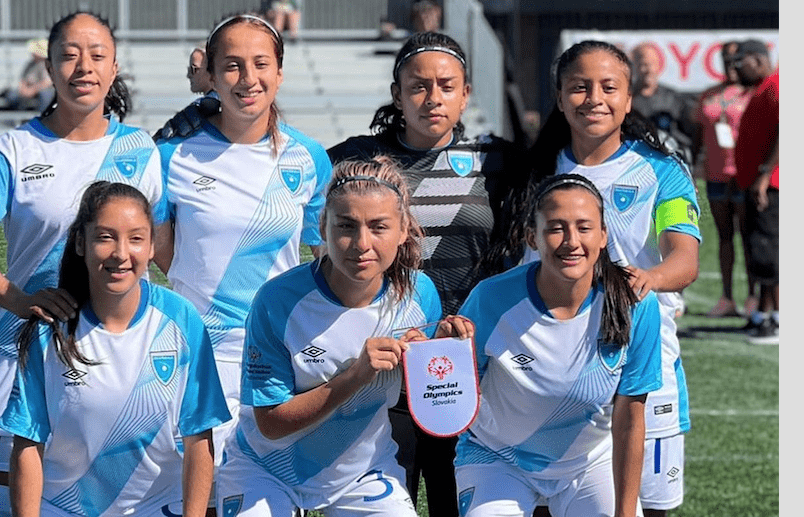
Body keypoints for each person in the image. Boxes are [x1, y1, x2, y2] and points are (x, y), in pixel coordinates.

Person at [0, 11, 162, 517]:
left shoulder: (142, 150)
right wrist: (20, 301)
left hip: (117, 364)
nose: (83, 67)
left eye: (97, 55)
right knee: (5, 509)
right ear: (49, 64)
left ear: (114, 67)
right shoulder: (13, 150)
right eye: (69, 54)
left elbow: (162, 252)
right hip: (20, 357)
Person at [326, 31, 531, 516]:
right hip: (384, 358)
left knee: (454, 500)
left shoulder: (499, 163)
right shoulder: (350, 159)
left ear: (466, 93)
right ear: (397, 94)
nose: (432, 97)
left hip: (467, 358)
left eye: (446, 85)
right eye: (418, 86)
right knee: (384, 499)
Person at [152, 12, 333, 505]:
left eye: (260, 64)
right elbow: (164, 253)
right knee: (193, 497)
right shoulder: (172, 155)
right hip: (196, 350)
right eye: (231, 66)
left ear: (279, 72)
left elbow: (322, 264)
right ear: (209, 74)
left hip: (274, 356)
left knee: (258, 497)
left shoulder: (309, 159)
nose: (247, 79)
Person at [528, 40, 701, 517]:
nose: (594, 99)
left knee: (647, 509)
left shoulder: (663, 171)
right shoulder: (532, 172)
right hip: (549, 366)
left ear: (629, 99)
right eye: (579, 88)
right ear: (560, 98)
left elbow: (684, 259)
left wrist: (647, 277)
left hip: (644, 363)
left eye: (609, 87)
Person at [215, 156, 443, 516]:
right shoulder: (278, 301)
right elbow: (271, 423)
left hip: (362, 473)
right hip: (265, 469)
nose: (361, 243)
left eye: (378, 226)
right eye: (347, 226)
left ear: (403, 231)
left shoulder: (420, 295)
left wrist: (439, 359)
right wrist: (355, 376)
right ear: (323, 227)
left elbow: (423, 400)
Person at [0, 181, 230, 517]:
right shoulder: (50, 330)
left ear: (153, 246)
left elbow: (199, 438)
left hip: (157, 510)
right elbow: (27, 444)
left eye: (136, 238)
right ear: (81, 242)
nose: (121, 253)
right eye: (105, 237)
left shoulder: (181, 320)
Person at [453, 173, 663, 517]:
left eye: (584, 227)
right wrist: (442, 352)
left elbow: (629, 419)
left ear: (603, 236)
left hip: (589, 462)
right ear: (532, 237)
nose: (571, 241)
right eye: (555, 228)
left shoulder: (635, 303)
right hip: (497, 457)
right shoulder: (490, 298)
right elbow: (451, 393)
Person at [691, 41, 754, 318]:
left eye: (736, 59)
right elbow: (696, 134)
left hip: (745, 175)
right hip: (716, 174)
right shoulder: (709, 95)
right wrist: (693, 167)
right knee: (724, 236)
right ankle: (727, 297)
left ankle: (754, 296)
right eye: (726, 60)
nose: (731, 65)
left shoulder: (753, 93)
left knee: (750, 239)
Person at [732, 39, 778, 344]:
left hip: (772, 185)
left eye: (740, 63)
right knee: (759, 249)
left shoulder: (777, 85)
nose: (736, 70)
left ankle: (776, 320)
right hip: (758, 183)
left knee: (770, 251)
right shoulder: (763, 89)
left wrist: (764, 176)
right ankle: (763, 313)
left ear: (758, 59)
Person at [629, 43, 698, 166]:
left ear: (658, 65)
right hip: (636, 162)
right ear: (634, 66)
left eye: (652, 64)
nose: (648, 70)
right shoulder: (626, 99)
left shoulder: (673, 98)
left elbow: (690, 133)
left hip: (670, 162)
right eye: (643, 64)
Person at [6, 37, 54, 111]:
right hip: (30, 89)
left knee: (45, 95)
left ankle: (42, 119)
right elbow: (23, 79)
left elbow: (46, 83)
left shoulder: (48, 64)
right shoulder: (30, 64)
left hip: (42, 90)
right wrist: (23, 89)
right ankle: (17, 118)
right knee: (12, 95)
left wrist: (32, 90)